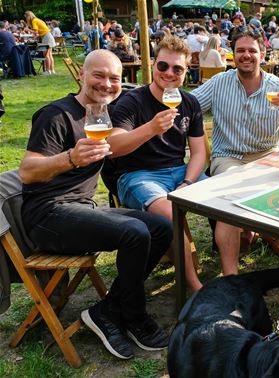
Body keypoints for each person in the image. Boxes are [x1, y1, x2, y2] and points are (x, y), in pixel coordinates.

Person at [19, 49, 171, 360]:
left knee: (161, 228)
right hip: (47, 215)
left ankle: (107, 310)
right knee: (135, 233)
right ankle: (134, 315)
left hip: (81, 208)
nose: (107, 84)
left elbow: (120, 147)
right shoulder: (56, 114)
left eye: (115, 78)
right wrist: (71, 158)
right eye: (98, 75)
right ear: (81, 76)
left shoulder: (102, 116)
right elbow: (27, 171)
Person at [191, 30, 279, 275]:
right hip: (229, 156)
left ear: (262, 55)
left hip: (266, 155)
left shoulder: (277, 87)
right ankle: (231, 277)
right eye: (240, 51)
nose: (246, 55)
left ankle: (268, 232)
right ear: (232, 55)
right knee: (229, 198)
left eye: (252, 51)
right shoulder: (219, 83)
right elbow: (189, 107)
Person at [108, 36, 207, 292]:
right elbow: (113, 147)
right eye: (163, 66)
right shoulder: (132, 101)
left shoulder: (189, 102)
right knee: (170, 214)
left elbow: (198, 153)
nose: (169, 73)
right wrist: (151, 128)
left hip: (180, 173)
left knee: (226, 201)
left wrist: (187, 182)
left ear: (186, 72)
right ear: (153, 65)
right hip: (139, 176)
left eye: (178, 68)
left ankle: (231, 273)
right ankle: (195, 287)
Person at [23, 10, 55, 74]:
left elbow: (36, 32)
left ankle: (48, 71)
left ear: (28, 16)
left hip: (46, 37)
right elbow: (40, 32)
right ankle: (52, 70)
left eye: (26, 17)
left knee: (46, 55)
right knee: (49, 55)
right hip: (48, 36)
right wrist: (35, 37)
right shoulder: (37, 19)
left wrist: (28, 29)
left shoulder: (34, 21)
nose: (26, 19)